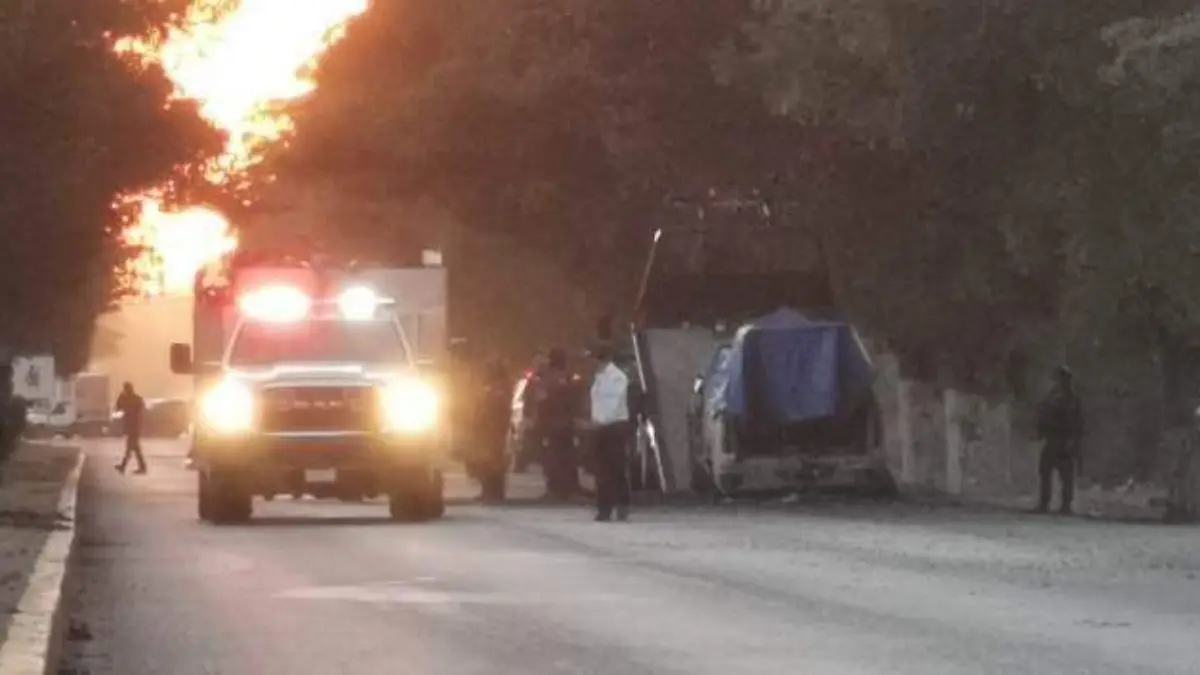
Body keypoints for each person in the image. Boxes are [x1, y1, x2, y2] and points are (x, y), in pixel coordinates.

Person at [588, 346, 633, 522]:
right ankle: (604, 507)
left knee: (616, 468)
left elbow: (613, 404)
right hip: (600, 428)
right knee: (601, 470)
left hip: (614, 427)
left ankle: (622, 504)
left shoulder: (617, 377)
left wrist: (600, 420)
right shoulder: (598, 377)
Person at [1034, 365, 1083, 514]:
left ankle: (1065, 505)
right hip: (1053, 439)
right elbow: (1044, 415)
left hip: (1063, 439)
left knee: (1065, 474)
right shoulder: (1055, 396)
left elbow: (1076, 422)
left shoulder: (1071, 399)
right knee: (1046, 470)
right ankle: (1046, 503)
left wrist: (1072, 440)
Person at [534, 347, 581, 502]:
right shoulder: (570, 377)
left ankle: (554, 489)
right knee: (568, 457)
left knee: (552, 458)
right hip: (566, 424)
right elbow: (575, 400)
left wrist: (539, 422)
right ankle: (571, 488)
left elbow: (542, 401)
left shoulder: (546, 379)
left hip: (550, 424)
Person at [473, 360, 512, 502]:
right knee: (488, 461)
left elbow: (497, 410)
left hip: (494, 429)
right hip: (490, 429)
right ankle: (489, 490)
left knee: (493, 461)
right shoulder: (494, 389)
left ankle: (494, 491)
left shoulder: (498, 390)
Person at [114, 382, 148, 475]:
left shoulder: (130, 399)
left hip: (133, 427)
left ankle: (123, 466)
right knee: (135, 448)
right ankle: (142, 467)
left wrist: (120, 397)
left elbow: (118, 408)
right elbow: (119, 408)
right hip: (134, 427)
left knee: (130, 448)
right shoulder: (136, 399)